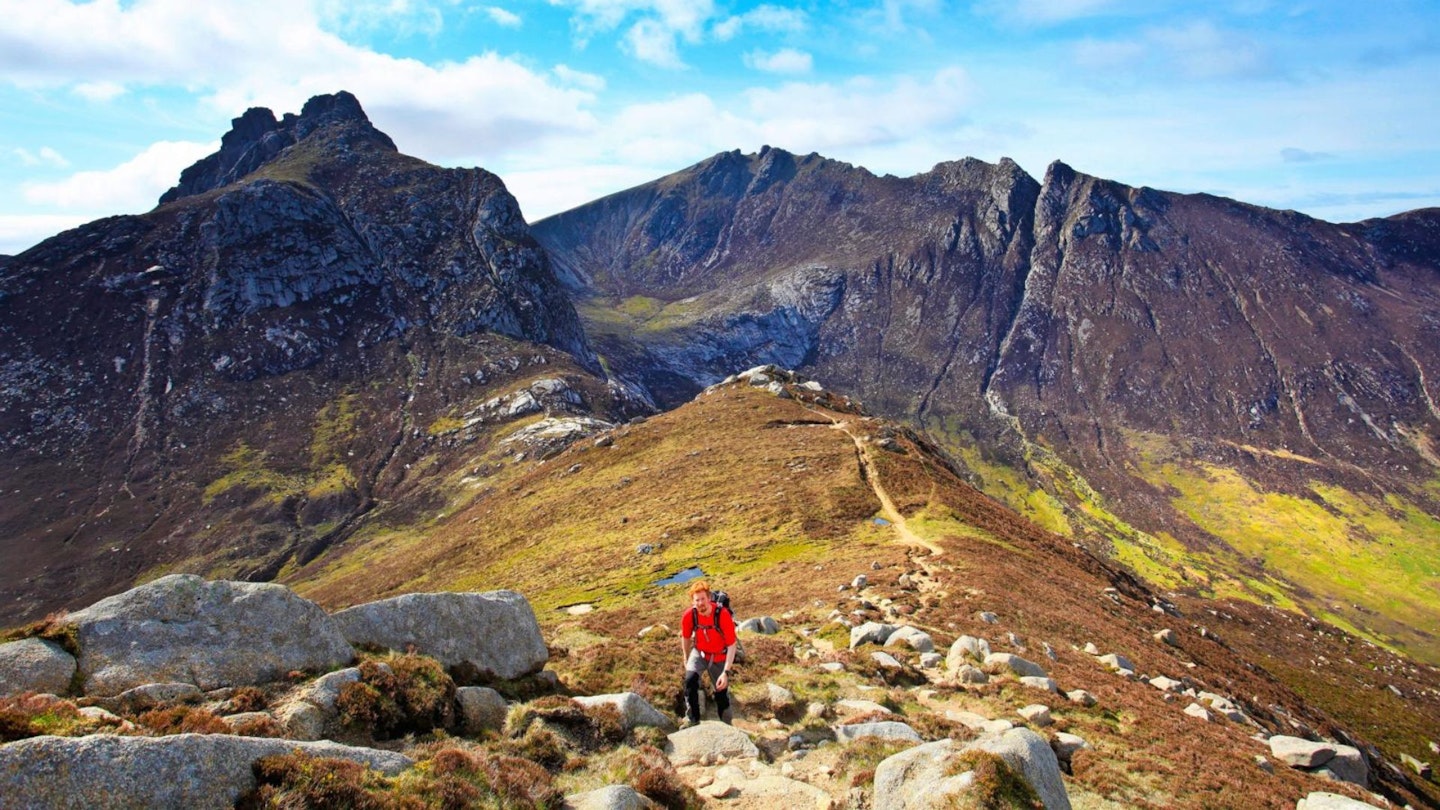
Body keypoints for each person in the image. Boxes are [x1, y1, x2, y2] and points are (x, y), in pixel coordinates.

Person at [679, 579, 736, 726]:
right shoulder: (689, 616)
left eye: (703, 599)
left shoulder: (722, 615)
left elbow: (731, 645)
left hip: (720, 656)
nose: (700, 603)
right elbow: (685, 637)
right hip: (700, 653)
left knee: (721, 693)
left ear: (709, 598)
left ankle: (726, 725)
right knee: (690, 680)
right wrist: (686, 657)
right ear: (692, 601)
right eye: (697, 600)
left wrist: (726, 672)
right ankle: (693, 719)